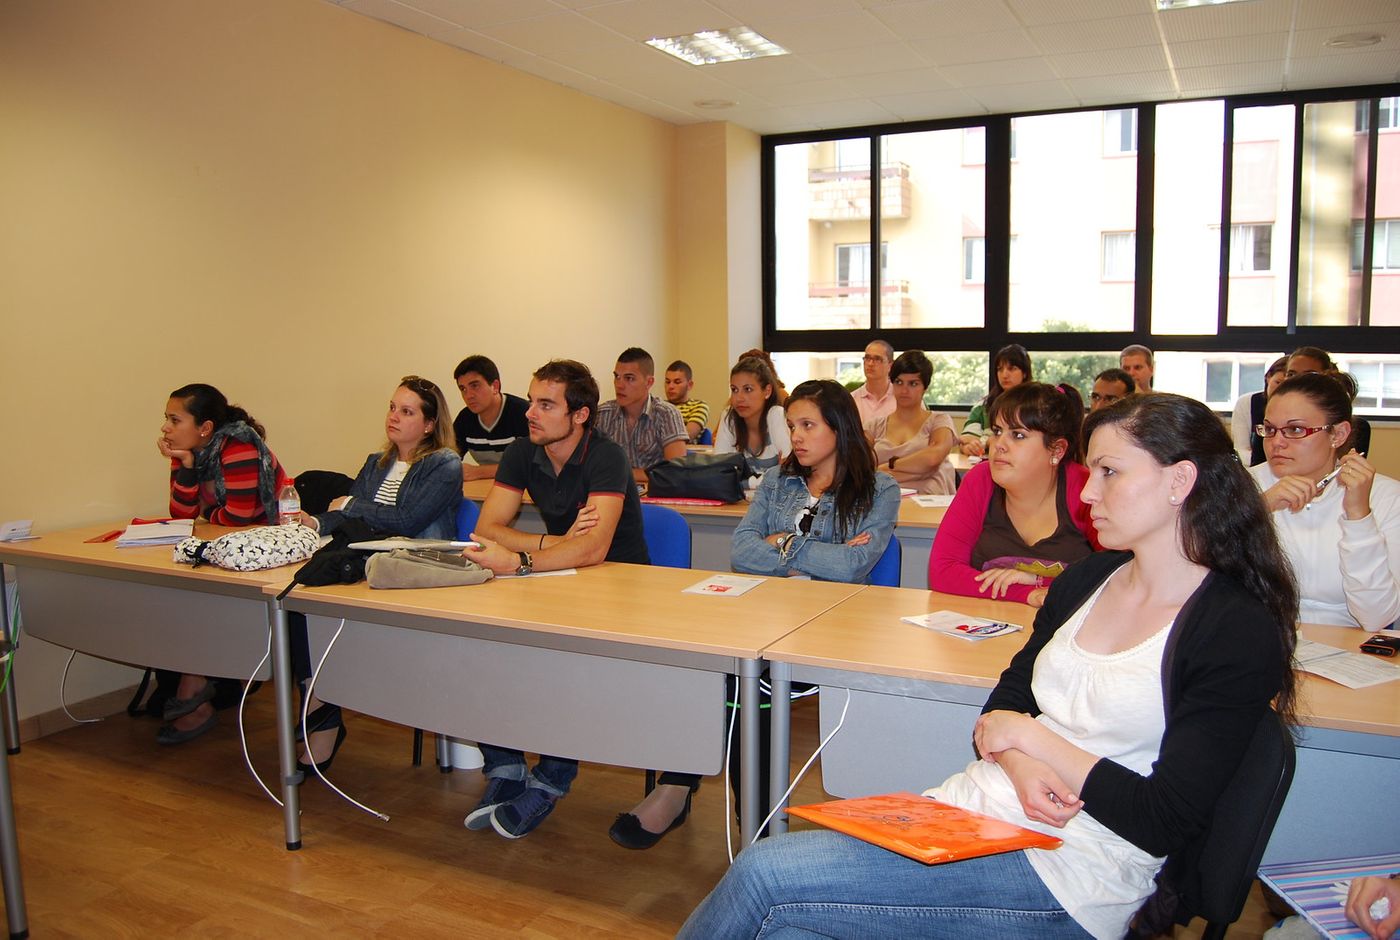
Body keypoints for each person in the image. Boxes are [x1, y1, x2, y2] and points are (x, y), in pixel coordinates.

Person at [680, 393, 1299, 940]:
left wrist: (1031, 738)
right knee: (787, 925)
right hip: (981, 808)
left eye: (1110, 472)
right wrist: (1021, 760)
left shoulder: (1232, 628)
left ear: (1180, 480)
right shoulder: (1090, 579)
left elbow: (1162, 819)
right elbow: (1008, 696)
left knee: (765, 876)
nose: (1087, 492)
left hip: (1075, 872)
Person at [463, 359, 650, 839]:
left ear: (579, 415)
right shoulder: (523, 451)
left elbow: (593, 549)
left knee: (563, 665)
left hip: (620, 587)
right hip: (558, 577)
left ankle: (549, 782)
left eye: (546, 405)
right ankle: (505, 769)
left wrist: (521, 559)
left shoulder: (605, 457)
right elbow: (487, 529)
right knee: (482, 643)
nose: (531, 413)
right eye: (532, 401)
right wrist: (552, 543)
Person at [297, 375, 462, 772]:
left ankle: (323, 708)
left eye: (406, 411)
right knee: (301, 611)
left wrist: (352, 505)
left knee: (329, 619)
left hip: (414, 571)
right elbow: (346, 516)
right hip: (367, 565)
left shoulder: (444, 464)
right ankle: (321, 708)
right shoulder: (377, 462)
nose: (394, 417)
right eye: (392, 408)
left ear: (429, 424)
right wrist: (314, 523)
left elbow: (407, 520)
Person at [157, 383, 290, 745]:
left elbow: (239, 517)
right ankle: (197, 682)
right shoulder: (190, 452)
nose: (166, 428)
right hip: (223, 549)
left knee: (199, 599)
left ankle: (196, 685)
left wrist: (206, 513)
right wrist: (186, 467)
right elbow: (182, 515)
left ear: (205, 428)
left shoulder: (239, 446)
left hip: (263, 554)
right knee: (179, 594)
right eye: (166, 419)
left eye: (175, 420)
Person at [1249, 371, 1400, 631]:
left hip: (1348, 641)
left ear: (1338, 434)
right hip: (1261, 634)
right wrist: (1257, 509)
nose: (1277, 443)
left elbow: (1377, 617)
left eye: (1295, 429)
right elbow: (1199, 581)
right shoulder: (1245, 485)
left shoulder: (1386, 496)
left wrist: (1358, 516)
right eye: (1270, 429)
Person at [932, 382, 1097, 608]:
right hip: (988, 621)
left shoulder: (1086, 488)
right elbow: (943, 571)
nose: (999, 444)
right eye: (997, 431)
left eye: (1018, 435)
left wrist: (1040, 581)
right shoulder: (980, 479)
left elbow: (1121, 575)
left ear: (1057, 450)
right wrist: (1028, 593)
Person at [866, 349, 957, 495]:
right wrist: (919, 471)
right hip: (882, 499)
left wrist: (887, 467)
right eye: (899, 382)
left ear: (925, 387)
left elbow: (933, 458)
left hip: (929, 500)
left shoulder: (939, 421)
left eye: (913, 384)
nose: (904, 390)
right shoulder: (874, 426)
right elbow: (859, 465)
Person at [593, 347, 688, 482]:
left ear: (649, 382)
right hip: (613, 490)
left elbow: (676, 472)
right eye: (617, 377)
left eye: (629, 378)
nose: (619, 385)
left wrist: (621, 473)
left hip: (655, 492)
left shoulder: (667, 414)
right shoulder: (602, 415)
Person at [713, 355, 791, 485]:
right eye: (734, 390)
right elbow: (719, 473)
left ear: (767, 391)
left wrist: (745, 483)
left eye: (747, 389)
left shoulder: (776, 415)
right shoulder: (729, 417)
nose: (739, 398)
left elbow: (789, 474)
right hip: (740, 498)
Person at [452, 354, 530, 482]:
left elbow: (533, 464)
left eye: (475, 386)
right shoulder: (465, 418)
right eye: (463, 389)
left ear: (495, 386)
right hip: (486, 488)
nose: (468, 395)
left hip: (524, 488)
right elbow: (448, 460)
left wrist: (479, 472)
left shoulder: (523, 413)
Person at [960, 343, 1031, 457]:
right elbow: (966, 438)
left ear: (1025, 373)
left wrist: (989, 440)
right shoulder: (983, 406)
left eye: (1012, 369)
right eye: (1000, 369)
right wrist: (968, 447)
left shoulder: (1036, 405)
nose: (1004, 375)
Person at [1231, 356, 1288, 466]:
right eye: (1278, 382)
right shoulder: (1247, 403)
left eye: (1287, 385)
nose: (1281, 390)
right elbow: (1240, 450)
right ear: (1268, 377)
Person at [664, 359, 710, 444]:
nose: (670, 386)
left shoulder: (698, 406)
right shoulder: (658, 406)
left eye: (677, 382)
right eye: (667, 382)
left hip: (683, 451)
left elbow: (685, 436)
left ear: (689, 385)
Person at [852, 339, 896, 425]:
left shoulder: (903, 398)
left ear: (890, 365)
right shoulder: (852, 400)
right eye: (867, 358)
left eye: (877, 359)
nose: (870, 363)